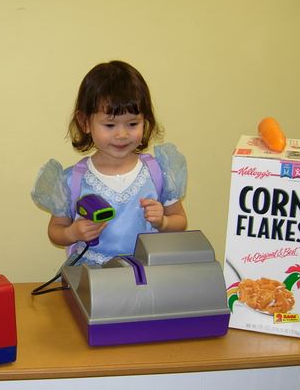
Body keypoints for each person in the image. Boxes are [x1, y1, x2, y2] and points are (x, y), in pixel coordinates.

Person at [31, 60, 187, 266]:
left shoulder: (158, 172)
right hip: (92, 276)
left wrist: (163, 222)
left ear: (145, 120)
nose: (122, 134)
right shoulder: (72, 180)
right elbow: (55, 230)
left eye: (133, 123)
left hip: (145, 274)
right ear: (85, 122)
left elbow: (180, 220)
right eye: (110, 125)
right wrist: (72, 233)